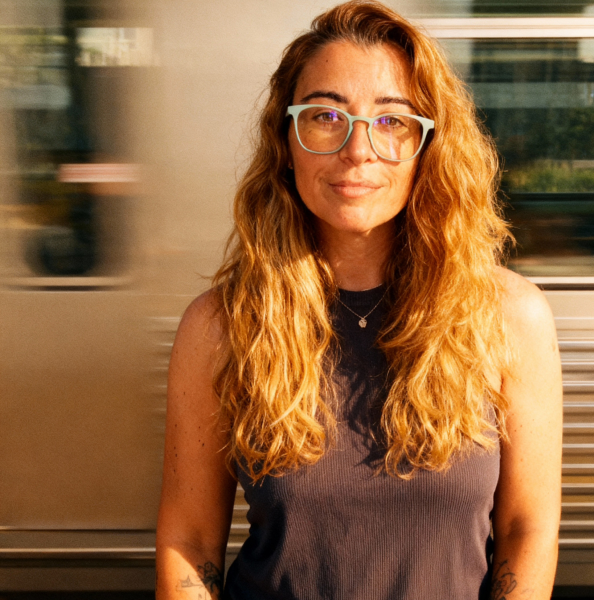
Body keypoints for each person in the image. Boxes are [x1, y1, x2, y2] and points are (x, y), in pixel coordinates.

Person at [155, 1, 562, 599]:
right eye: (326, 115)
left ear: (430, 148)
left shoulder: (508, 317)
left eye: (393, 122)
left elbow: (528, 529)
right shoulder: (220, 325)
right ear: (286, 140)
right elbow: (189, 540)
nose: (358, 149)